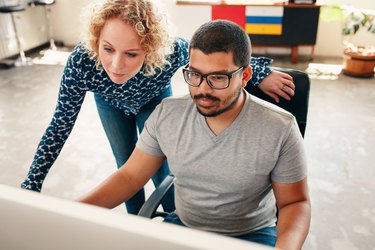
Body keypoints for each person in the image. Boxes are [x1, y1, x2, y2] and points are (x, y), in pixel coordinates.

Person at [21, 0, 295, 215]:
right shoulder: (81, 62)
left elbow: (213, 56)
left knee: (162, 164)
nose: (116, 66)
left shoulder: (171, 51)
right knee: (126, 164)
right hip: (111, 104)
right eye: (107, 49)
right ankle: (136, 221)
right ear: (96, 42)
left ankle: (175, 221)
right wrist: (31, 183)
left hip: (152, 99)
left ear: (151, 49)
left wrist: (258, 73)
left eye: (132, 54)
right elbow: (59, 125)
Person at [78, 19, 311, 249]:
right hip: (184, 228)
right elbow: (129, 177)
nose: (203, 90)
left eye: (218, 78)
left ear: (246, 76)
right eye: (195, 75)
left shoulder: (280, 128)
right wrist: (71, 211)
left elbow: (295, 202)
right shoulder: (167, 115)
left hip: (252, 235)